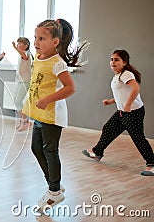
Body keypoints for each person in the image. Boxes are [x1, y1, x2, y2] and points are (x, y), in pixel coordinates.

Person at [22, 18, 88, 210]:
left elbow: (70, 88)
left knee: (50, 151)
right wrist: (27, 106)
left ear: (55, 42)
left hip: (53, 115)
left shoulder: (57, 63)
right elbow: (35, 85)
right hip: (40, 114)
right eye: (35, 37)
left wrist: (47, 100)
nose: (36, 42)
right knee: (36, 148)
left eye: (41, 38)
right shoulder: (39, 58)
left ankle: (54, 191)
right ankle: (54, 185)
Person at [82, 50, 154, 176]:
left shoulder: (126, 74)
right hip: (123, 112)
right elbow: (123, 94)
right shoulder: (117, 76)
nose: (113, 62)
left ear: (124, 62)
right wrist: (111, 101)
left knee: (138, 138)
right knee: (108, 128)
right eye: (112, 59)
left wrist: (128, 105)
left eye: (117, 60)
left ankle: (152, 164)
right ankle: (97, 153)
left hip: (133, 112)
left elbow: (136, 88)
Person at [12, 37, 33, 132]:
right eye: (18, 43)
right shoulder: (22, 55)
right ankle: (23, 121)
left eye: (20, 43)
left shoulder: (27, 54)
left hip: (26, 81)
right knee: (16, 101)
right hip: (21, 81)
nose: (18, 45)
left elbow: (23, 54)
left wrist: (14, 48)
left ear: (26, 45)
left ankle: (25, 121)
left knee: (18, 101)